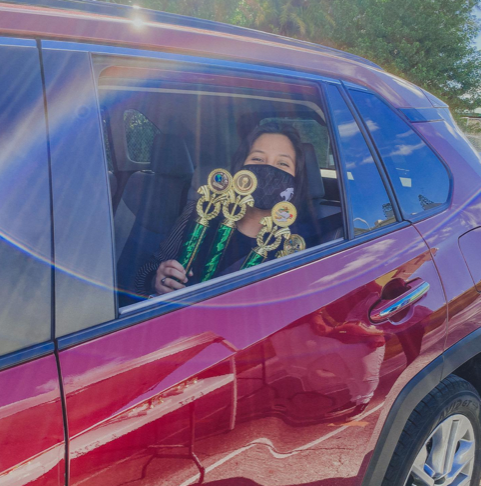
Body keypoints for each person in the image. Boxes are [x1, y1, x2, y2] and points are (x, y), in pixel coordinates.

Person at [135, 122, 314, 297]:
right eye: (258, 159)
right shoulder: (201, 212)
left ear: (297, 177)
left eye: (283, 163)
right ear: (240, 168)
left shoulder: (300, 246)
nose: (268, 170)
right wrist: (156, 281)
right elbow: (148, 269)